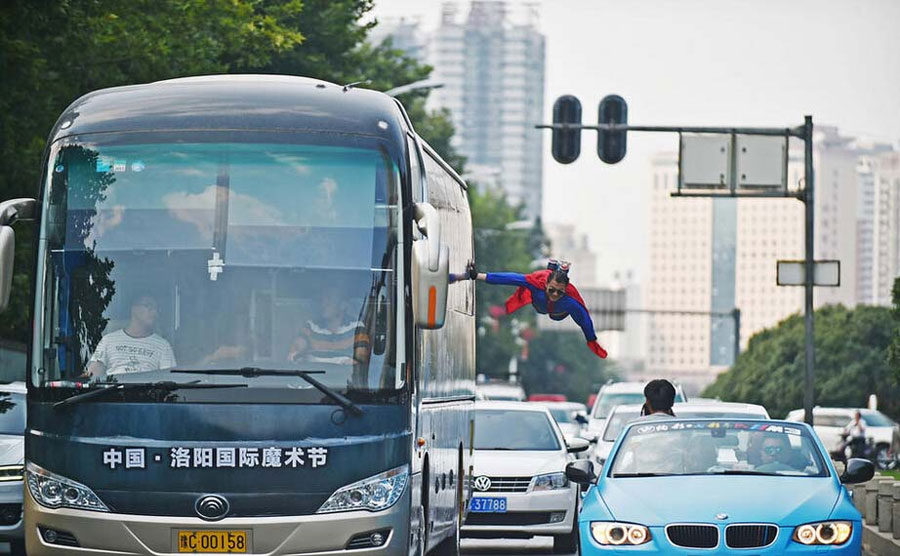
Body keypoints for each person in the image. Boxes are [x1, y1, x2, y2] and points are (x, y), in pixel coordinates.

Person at [450, 260, 607, 359]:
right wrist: (477, 275)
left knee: (555, 315)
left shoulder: (570, 301)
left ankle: (558, 270)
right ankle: (553, 269)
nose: (555, 294)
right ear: (546, 285)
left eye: (560, 291)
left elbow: (585, 321)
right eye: (552, 290)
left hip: (557, 312)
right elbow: (508, 278)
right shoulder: (536, 283)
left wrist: (592, 341)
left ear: (565, 290)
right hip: (539, 301)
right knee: (541, 296)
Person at [288, 288, 371, 379]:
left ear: (342, 306)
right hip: (313, 380)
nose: (323, 304)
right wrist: (294, 351)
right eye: (322, 300)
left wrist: (352, 362)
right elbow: (299, 344)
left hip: (342, 382)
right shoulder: (311, 326)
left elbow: (361, 359)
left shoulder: (357, 327)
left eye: (329, 300)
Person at [86, 293, 176, 377]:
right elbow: (93, 374)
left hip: (148, 392)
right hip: (112, 392)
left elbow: (168, 378)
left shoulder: (163, 345)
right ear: (134, 308)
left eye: (156, 309)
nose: (154, 313)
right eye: (149, 306)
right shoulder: (108, 340)